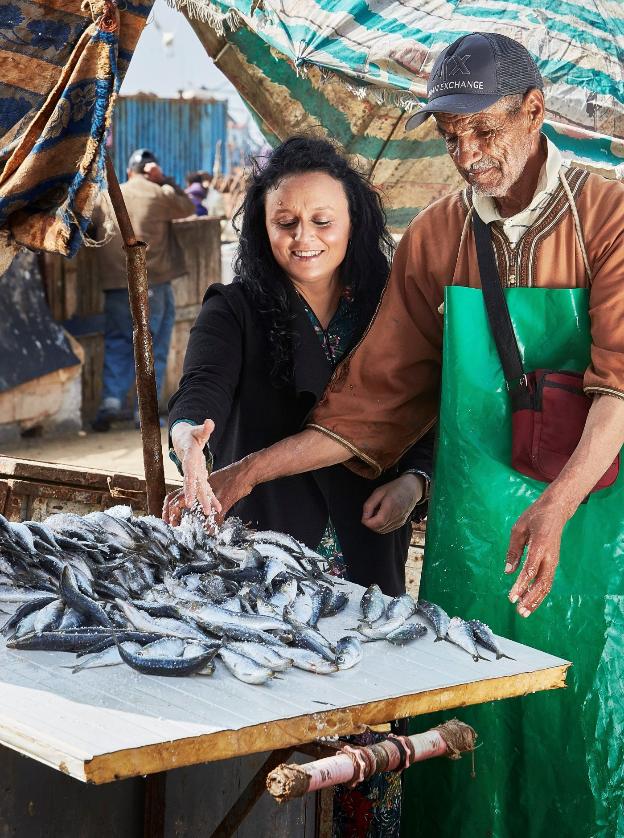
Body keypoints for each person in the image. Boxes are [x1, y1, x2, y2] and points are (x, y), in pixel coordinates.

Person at [194, 34, 624, 837]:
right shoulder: (435, 237)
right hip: (473, 532)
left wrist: (559, 505)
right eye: (451, 135)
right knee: (470, 732)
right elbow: (371, 403)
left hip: (597, 524)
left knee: (590, 717)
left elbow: (619, 391)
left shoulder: (609, 214)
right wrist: (247, 472)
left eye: (485, 130)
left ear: (536, 112)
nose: (468, 153)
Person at [163, 137, 434, 836]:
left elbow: (430, 411)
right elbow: (200, 390)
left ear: (354, 223)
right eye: (286, 223)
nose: (304, 238)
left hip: (369, 552)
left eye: (323, 221)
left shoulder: (394, 306)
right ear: (261, 225)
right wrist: (189, 436)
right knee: (270, 754)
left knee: (369, 746)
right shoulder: (237, 308)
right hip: (263, 565)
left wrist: (414, 481)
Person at [91, 149, 194, 431]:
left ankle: (110, 402)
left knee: (117, 341)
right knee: (153, 346)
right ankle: (143, 413)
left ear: (128, 171)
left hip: (115, 285)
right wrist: (167, 181)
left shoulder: (106, 196)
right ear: (152, 171)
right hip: (153, 283)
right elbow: (189, 207)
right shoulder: (159, 194)